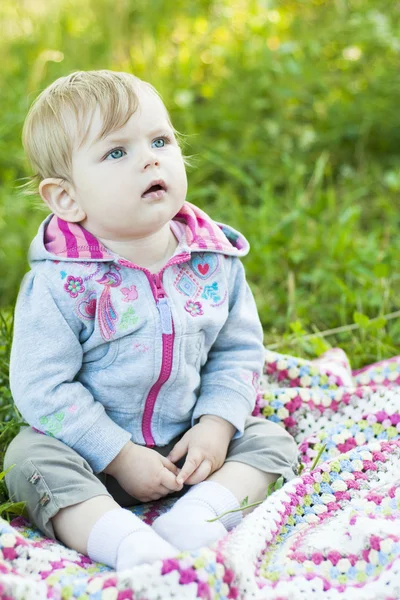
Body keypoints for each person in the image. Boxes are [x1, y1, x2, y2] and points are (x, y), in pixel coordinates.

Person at [4, 70, 298, 571]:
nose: (149, 157)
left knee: (272, 441)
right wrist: (118, 455)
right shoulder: (61, 285)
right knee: (29, 460)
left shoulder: (213, 260)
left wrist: (217, 425)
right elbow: (41, 386)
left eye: (160, 140)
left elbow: (238, 351)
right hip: (94, 457)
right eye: (116, 152)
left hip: (190, 446)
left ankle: (199, 516)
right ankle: (120, 539)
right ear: (67, 199)